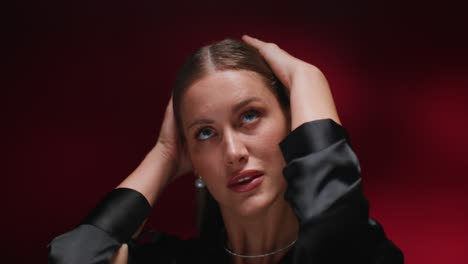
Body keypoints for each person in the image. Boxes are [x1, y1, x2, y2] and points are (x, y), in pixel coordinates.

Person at [48, 35, 403, 264]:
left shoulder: (365, 252)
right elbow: (75, 256)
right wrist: (165, 152)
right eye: (205, 133)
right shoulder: (170, 260)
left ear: (295, 124)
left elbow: (331, 235)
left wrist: (307, 78)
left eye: (250, 116)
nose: (233, 152)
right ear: (193, 160)